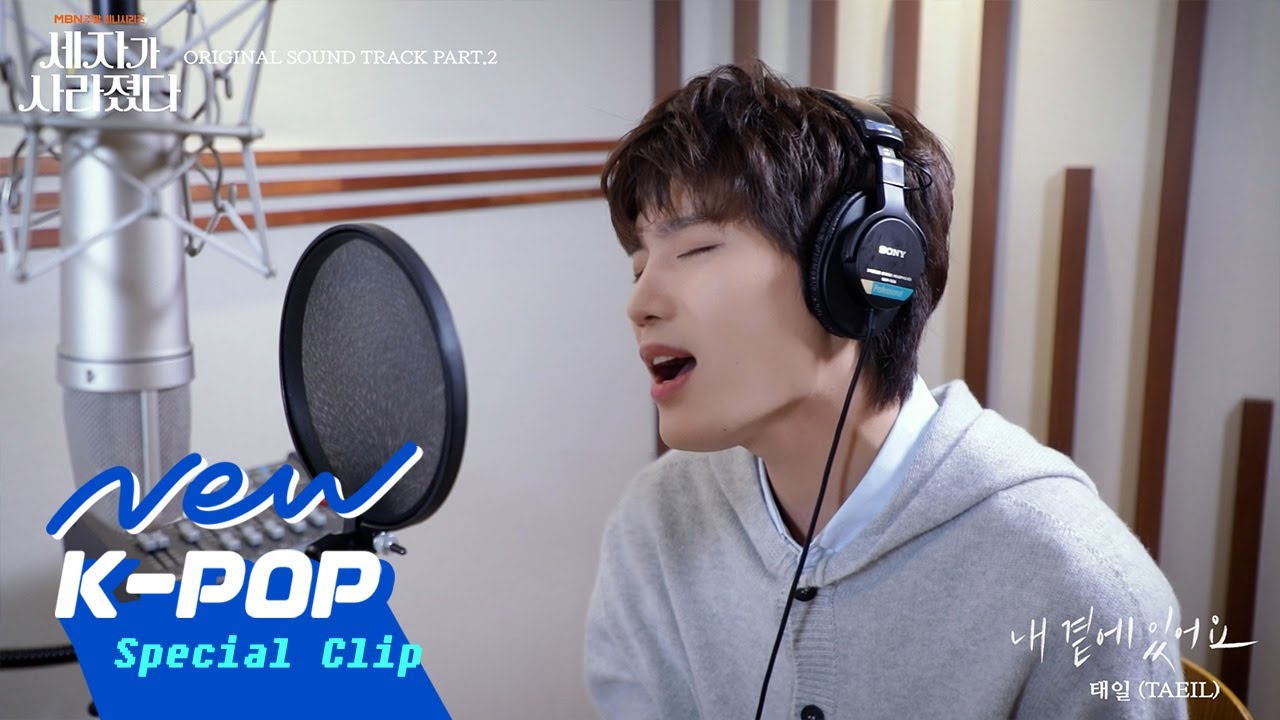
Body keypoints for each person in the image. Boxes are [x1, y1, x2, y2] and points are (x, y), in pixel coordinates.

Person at [584, 60, 1187, 719]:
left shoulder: (1076, 583)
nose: (639, 303)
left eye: (695, 250)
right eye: (639, 267)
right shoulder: (657, 523)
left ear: (862, 273)